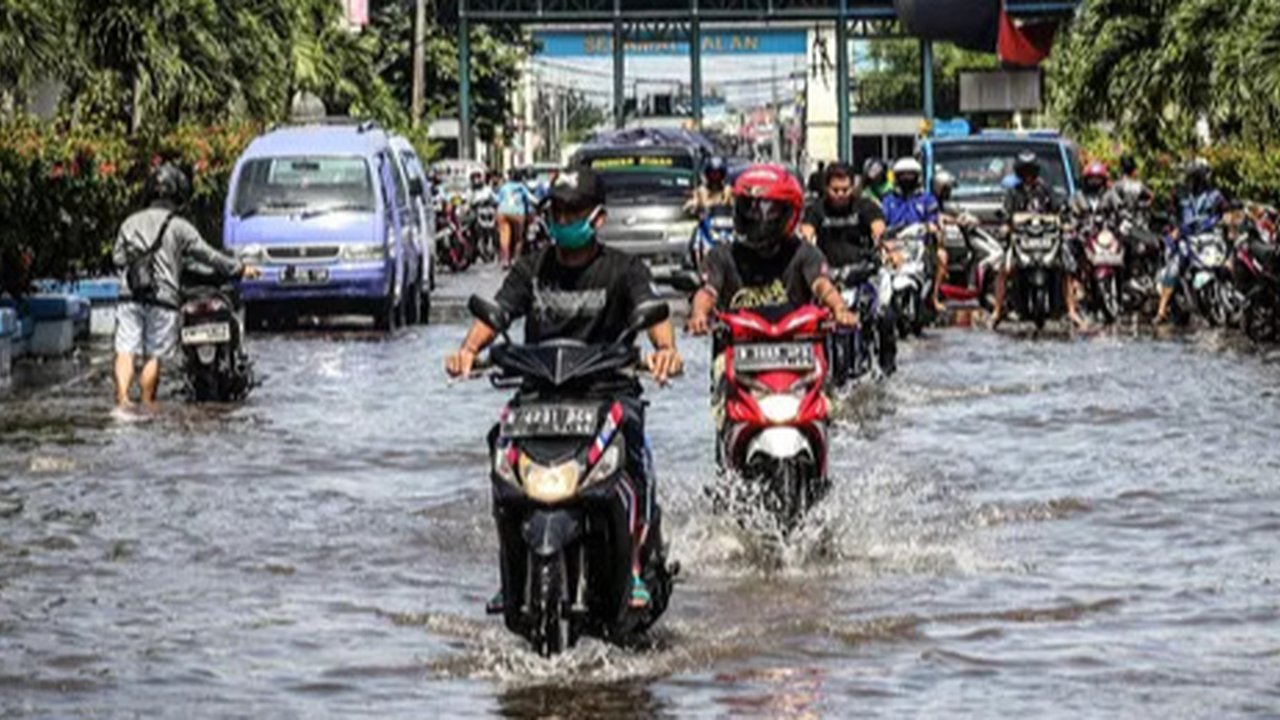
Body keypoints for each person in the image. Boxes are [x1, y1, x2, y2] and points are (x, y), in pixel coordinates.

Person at [445, 168, 683, 610]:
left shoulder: (624, 269)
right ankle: (512, 568)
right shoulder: (531, 268)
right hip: (539, 399)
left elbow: (654, 312)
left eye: (573, 211)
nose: (564, 219)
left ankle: (634, 564)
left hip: (607, 395)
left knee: (632, 449)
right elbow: (498, 312)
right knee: (500, 448)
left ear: (598, 218)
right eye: (558, 211)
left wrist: (665, 352)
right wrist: (467, 351)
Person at [111, 163, 261, 409]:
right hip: (163, 299)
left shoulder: (129, 223)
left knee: (125, 350)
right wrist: (240, 268)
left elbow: (117, 259)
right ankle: (147, 404)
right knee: (153, 356)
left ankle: (122, 401)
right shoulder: (180, 226)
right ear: (178, 196)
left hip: (130, 296)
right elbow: (208, 255)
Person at [688, 164, 858, 332]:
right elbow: (708, 291)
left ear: (789, 212)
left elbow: (822, 284)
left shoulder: (803, 252)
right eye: (749, 207)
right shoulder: (722, 255)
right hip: (738, 342)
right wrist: (699, 314)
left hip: (797, 340)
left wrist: (839, 308)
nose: (757, 217)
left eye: (769, 210)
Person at [798, 162, 896, 374]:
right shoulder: (815, 210)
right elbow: (806, 234)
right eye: (835, 190)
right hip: (828, 277)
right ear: (826, 188)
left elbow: (879, 229)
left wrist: (888, 247)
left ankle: (887, 368)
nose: (841, 195)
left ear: (853, 187)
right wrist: (803, 246)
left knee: (884, 315)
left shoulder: (865, 206)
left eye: (845, 189)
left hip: (862, 275)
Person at [990, 151, 1085, 329]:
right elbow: (1006, 214)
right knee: (1003, 268)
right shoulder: (1013, 193)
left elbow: (1059, 208)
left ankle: (1072, 310)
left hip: (1045, 239)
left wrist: (1065, 222)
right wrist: (1005, 226)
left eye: (1031, 171)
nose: (1028, 176)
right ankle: (997, 310)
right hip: (1021, 240)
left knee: (1065, 267)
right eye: (1025, 171)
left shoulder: (1045, 190)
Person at [1155, 158, 1230, 324]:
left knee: (1228, 262)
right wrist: (1174, 229)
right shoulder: (1180, 194)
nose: (1198, 180)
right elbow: (1171, 213)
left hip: (1209, 238)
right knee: (1174, 268)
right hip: (1186, 239)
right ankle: (1161, 309)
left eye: (1201, 176)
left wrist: (1227, 219)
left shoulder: (1215, 195)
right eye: (1195, 177)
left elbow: (1225, 212)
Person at [881, 157, 948, 312]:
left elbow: (933, 220)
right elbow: (881, 222)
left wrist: (933, 228)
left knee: (942, 257)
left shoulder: (926, 199)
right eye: (903, 175)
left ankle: (934, 297)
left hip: (919, 243)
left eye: (910, 175)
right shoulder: (888, 200)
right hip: (894, 243)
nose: (907, 179)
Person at [496, 168, 536, 268]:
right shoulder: (521, 187)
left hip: (502, 212)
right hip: (517, 214)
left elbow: (497, 200)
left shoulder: (504, 187)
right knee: (519, 238)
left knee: (504, 237)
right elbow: (531, 199)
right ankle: (515, 259)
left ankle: (505, 260)